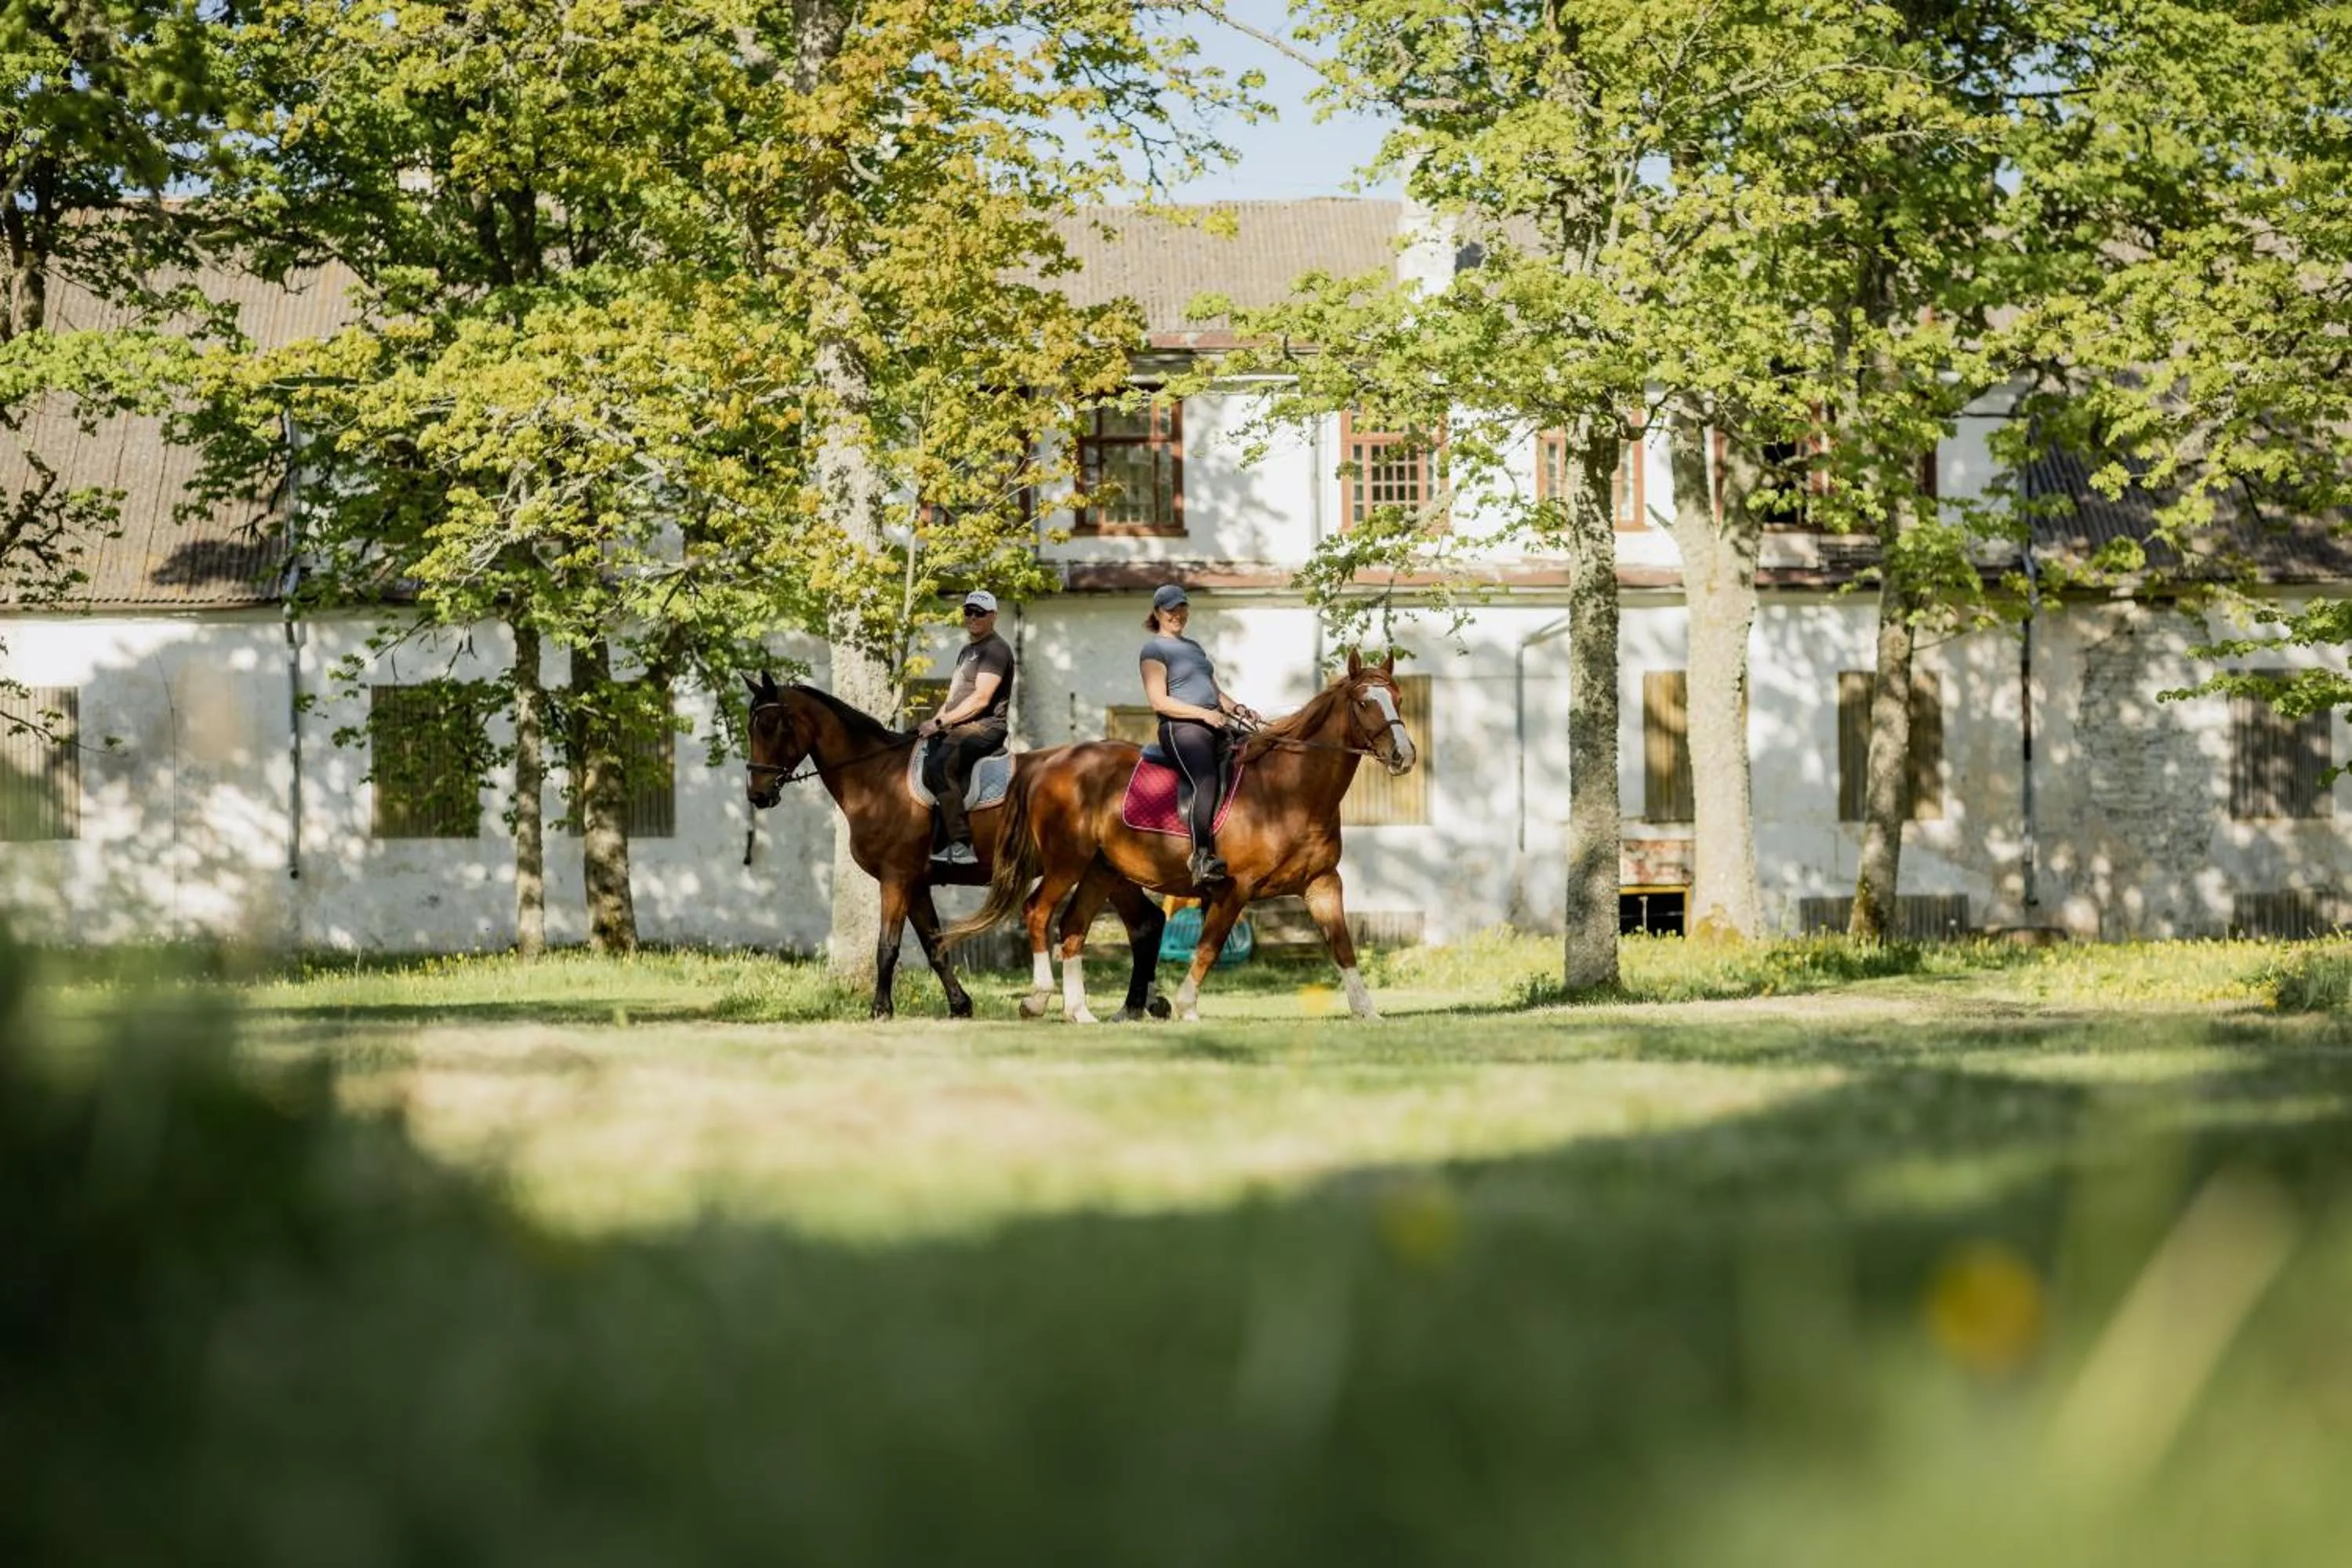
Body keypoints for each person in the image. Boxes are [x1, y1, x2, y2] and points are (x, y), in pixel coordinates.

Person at [1138, 583, 1258, 885]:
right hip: (1180, 727)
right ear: (1158, 613)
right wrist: (1204, 714)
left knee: (1256, 755)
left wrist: (1240, 709)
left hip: (1213, 722)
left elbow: (1215, 694)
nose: (1177, 615)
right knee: (1205, 779)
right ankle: (1201, 857)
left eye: (1182, 608)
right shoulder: (1154, 649)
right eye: (1171, 610)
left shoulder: (1194, 648)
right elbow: (1159, 701)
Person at [917, 590, 1014, 865]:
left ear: (993, 616)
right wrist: (933, 724)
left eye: (979, 613)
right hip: (957, 726)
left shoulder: (996, 649)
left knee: (939, 764)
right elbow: (953, 700)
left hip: (984, 726)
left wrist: (940, 723)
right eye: (968, 611)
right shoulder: (967, 650)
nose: (972, 617)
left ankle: (960, 843)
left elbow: (981, 698)